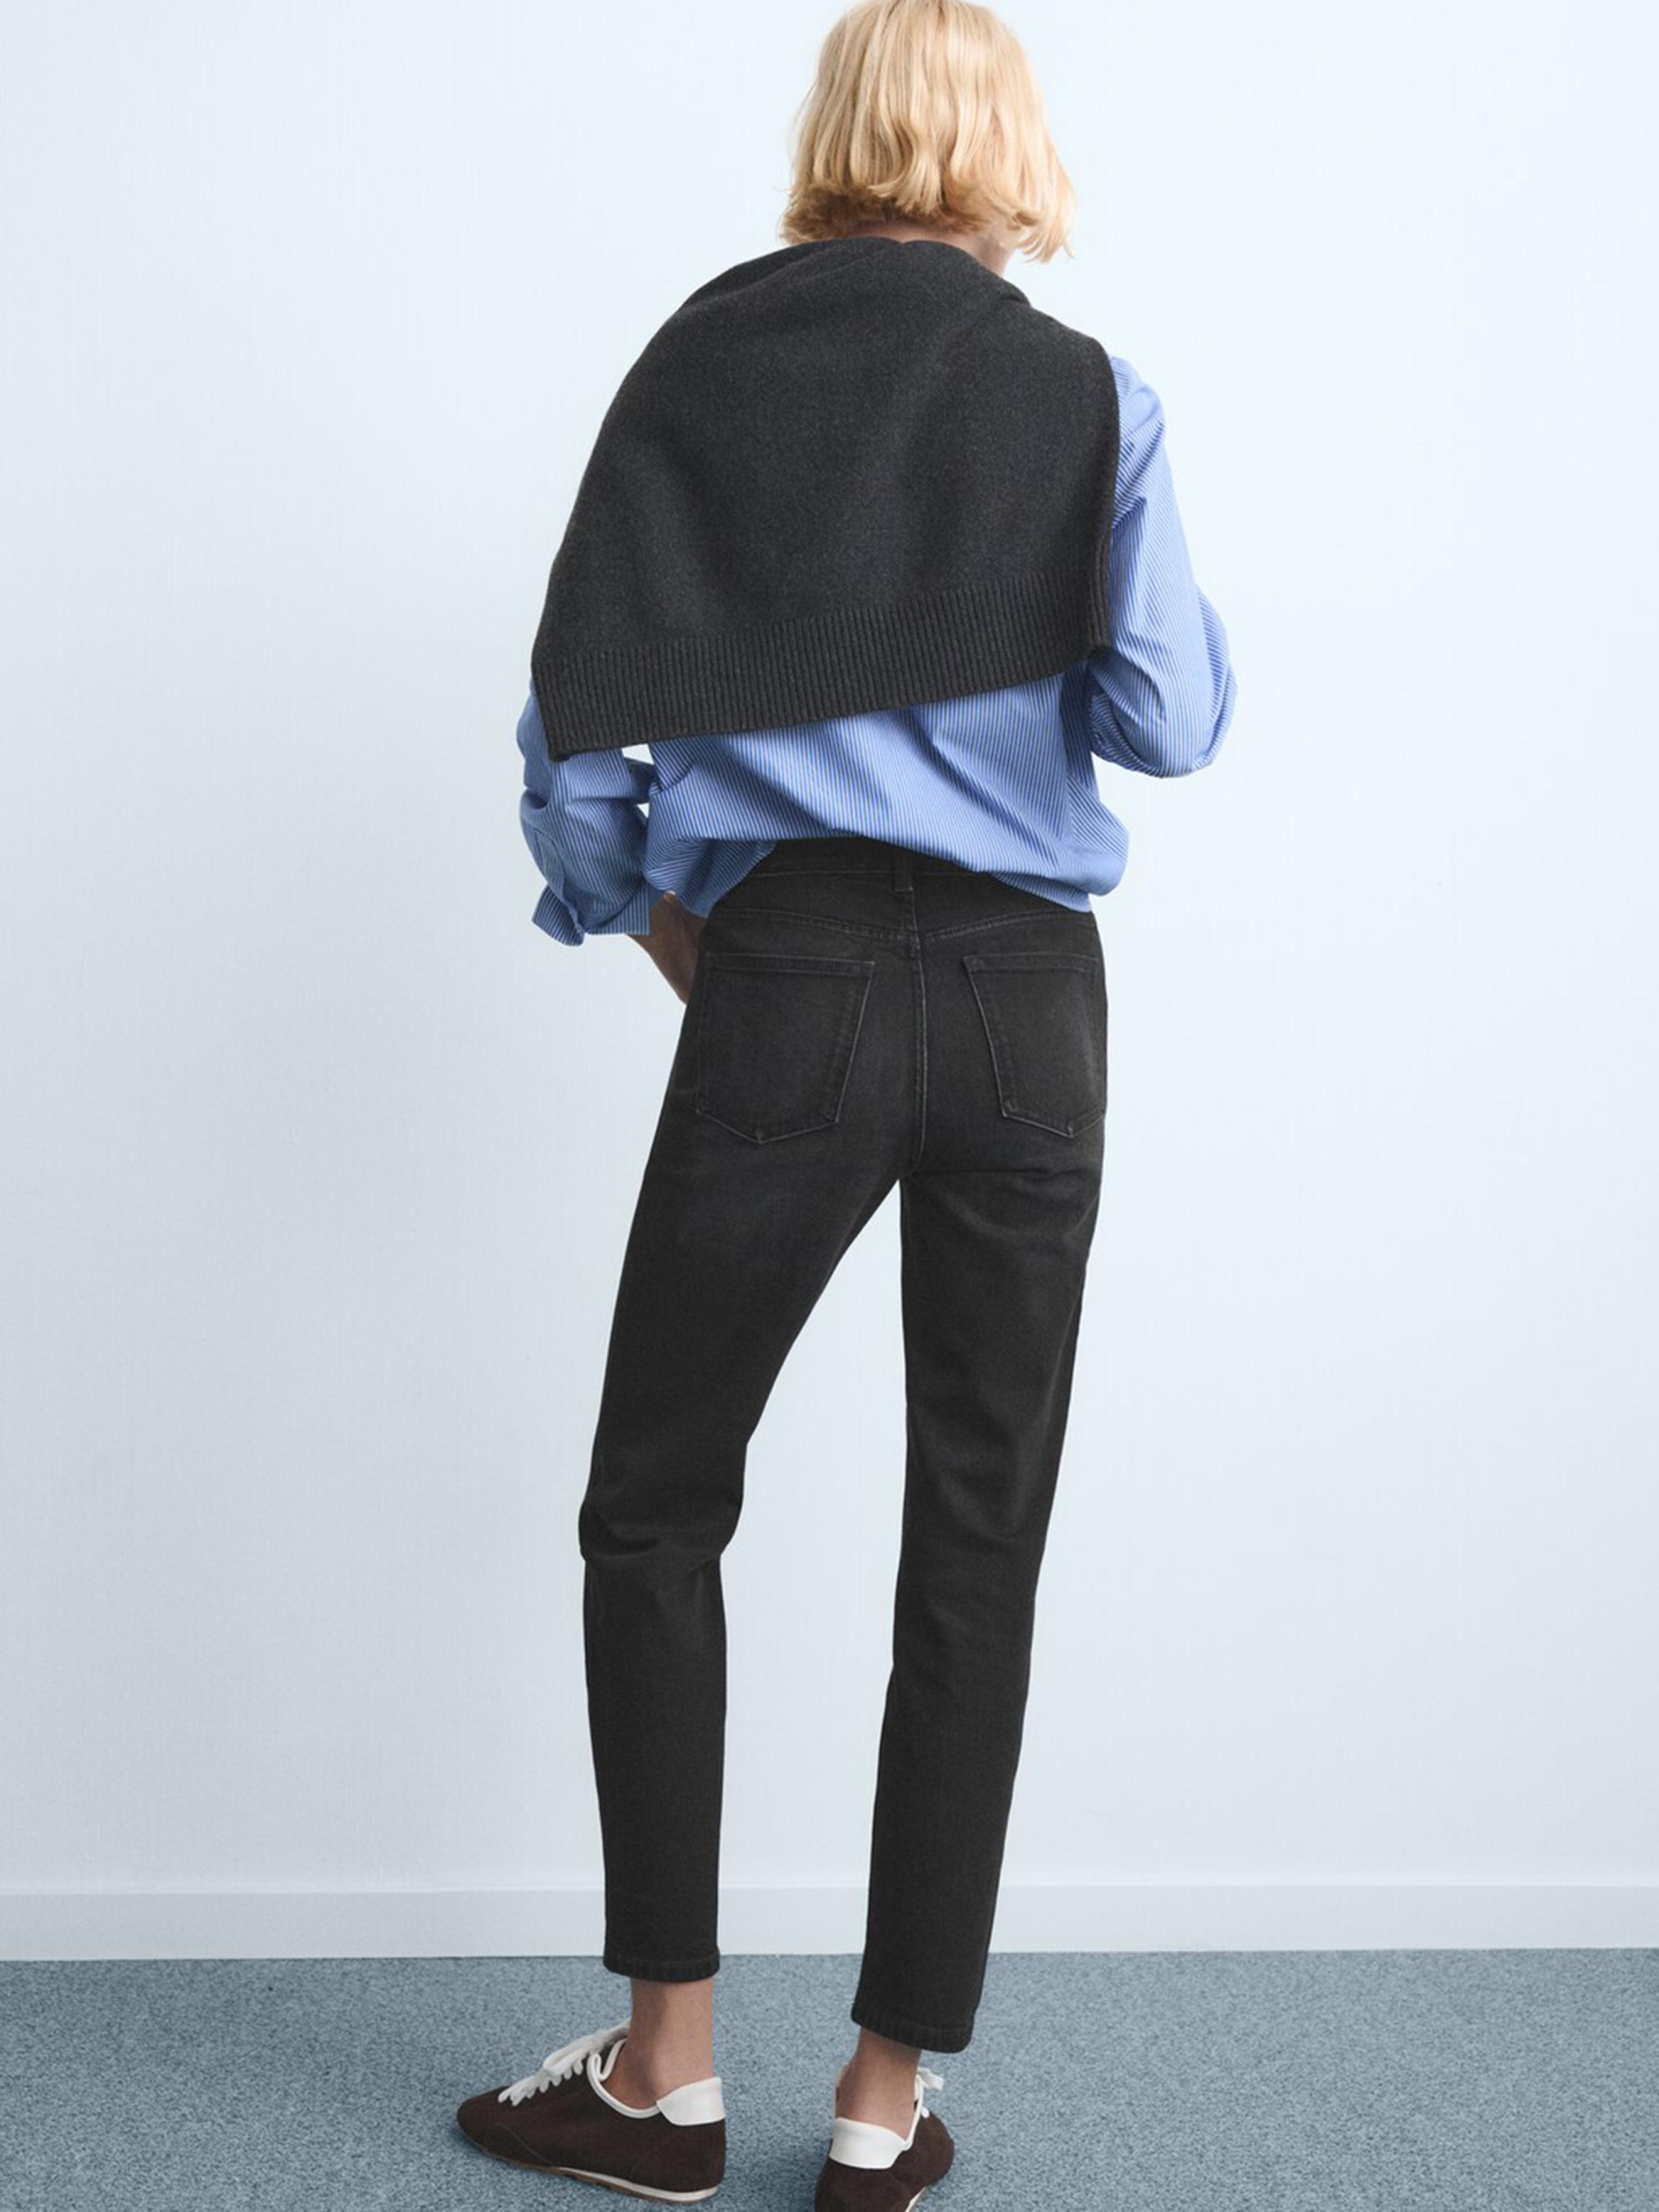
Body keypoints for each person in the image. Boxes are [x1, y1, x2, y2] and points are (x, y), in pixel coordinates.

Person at [456, 0, 1236, 2202]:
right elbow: (1172, 716)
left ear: (837, 131)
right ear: (1009, 145)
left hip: (784, 978)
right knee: (977, 1532)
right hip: (1026, 1004)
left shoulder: (703, 361)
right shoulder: (1090, 397)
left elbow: (575, 723)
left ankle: (665, 2075)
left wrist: (658, 924)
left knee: (656, 1502)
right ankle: (882, 2111)